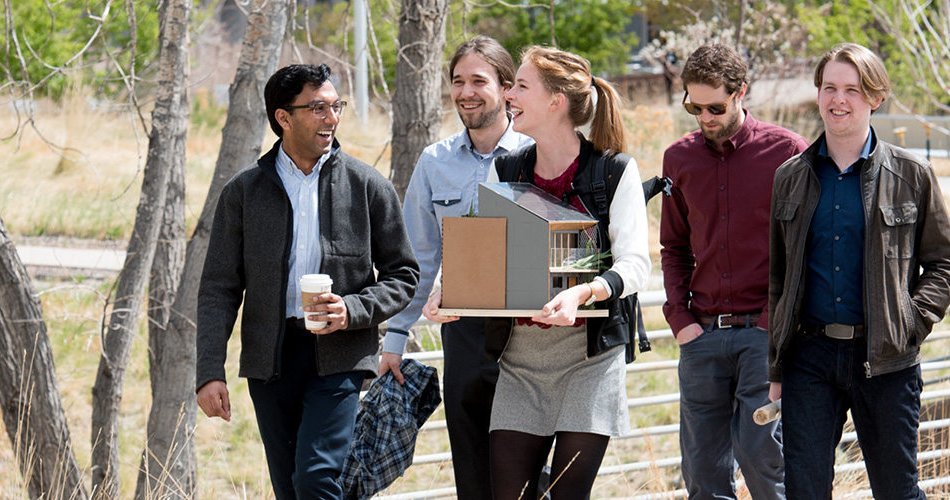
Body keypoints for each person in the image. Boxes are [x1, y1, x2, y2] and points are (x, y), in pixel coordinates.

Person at [425, 45, 651, 499]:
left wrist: (583, 292)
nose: (509, 94)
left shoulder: (613, 172)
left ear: (556, 102)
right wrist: (446, 291)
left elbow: (636, 265)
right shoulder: (506, 169)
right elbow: (487, 253)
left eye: (521, 86)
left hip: (589, 364)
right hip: (520, 364)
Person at [195, 63, 419, 500]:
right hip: (270, 359)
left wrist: (351, 310)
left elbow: (403, 274)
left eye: (335, 106)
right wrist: (209, 371)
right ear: (283, 117)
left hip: (340, 355)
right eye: (317, 108)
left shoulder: (368, 185)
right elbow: (218, 288)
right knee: (290, 488)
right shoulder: (243, 193)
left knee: (316, 478)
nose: (331, 117)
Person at [768, 43, 950, 499]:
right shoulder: (789, 177)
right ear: (817, 95)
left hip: (887, 362)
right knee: (804, 491)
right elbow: (779, 279)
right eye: (830, 87)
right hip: (808, 359)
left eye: (853, 90)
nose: (839, 99)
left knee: (897, 491)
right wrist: (776, 364)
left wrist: (908, 324)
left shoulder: (913, 173)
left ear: (875, 98)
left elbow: (944, 265)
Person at [383, 35, 531, 499]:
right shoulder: (434, 161)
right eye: (458, 81)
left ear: (508, 88)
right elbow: (419, 258)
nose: (466, 91)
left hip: (531, 332)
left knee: (528, 467)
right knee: (471, 463)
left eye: (478, 80)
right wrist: (395, 336)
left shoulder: (538, 152)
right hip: (464, 331)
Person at [659, 44, 807, 500]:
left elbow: (804, 249)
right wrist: (680, 322)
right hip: (701, 336)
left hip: (763, 337)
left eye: (715, 106)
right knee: (702, 471)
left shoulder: (787, 152)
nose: (704, 116)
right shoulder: (678, 159)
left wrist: (770, 322)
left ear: (742, 92)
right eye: (693, 106)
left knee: (764, 460)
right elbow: (674, 246)